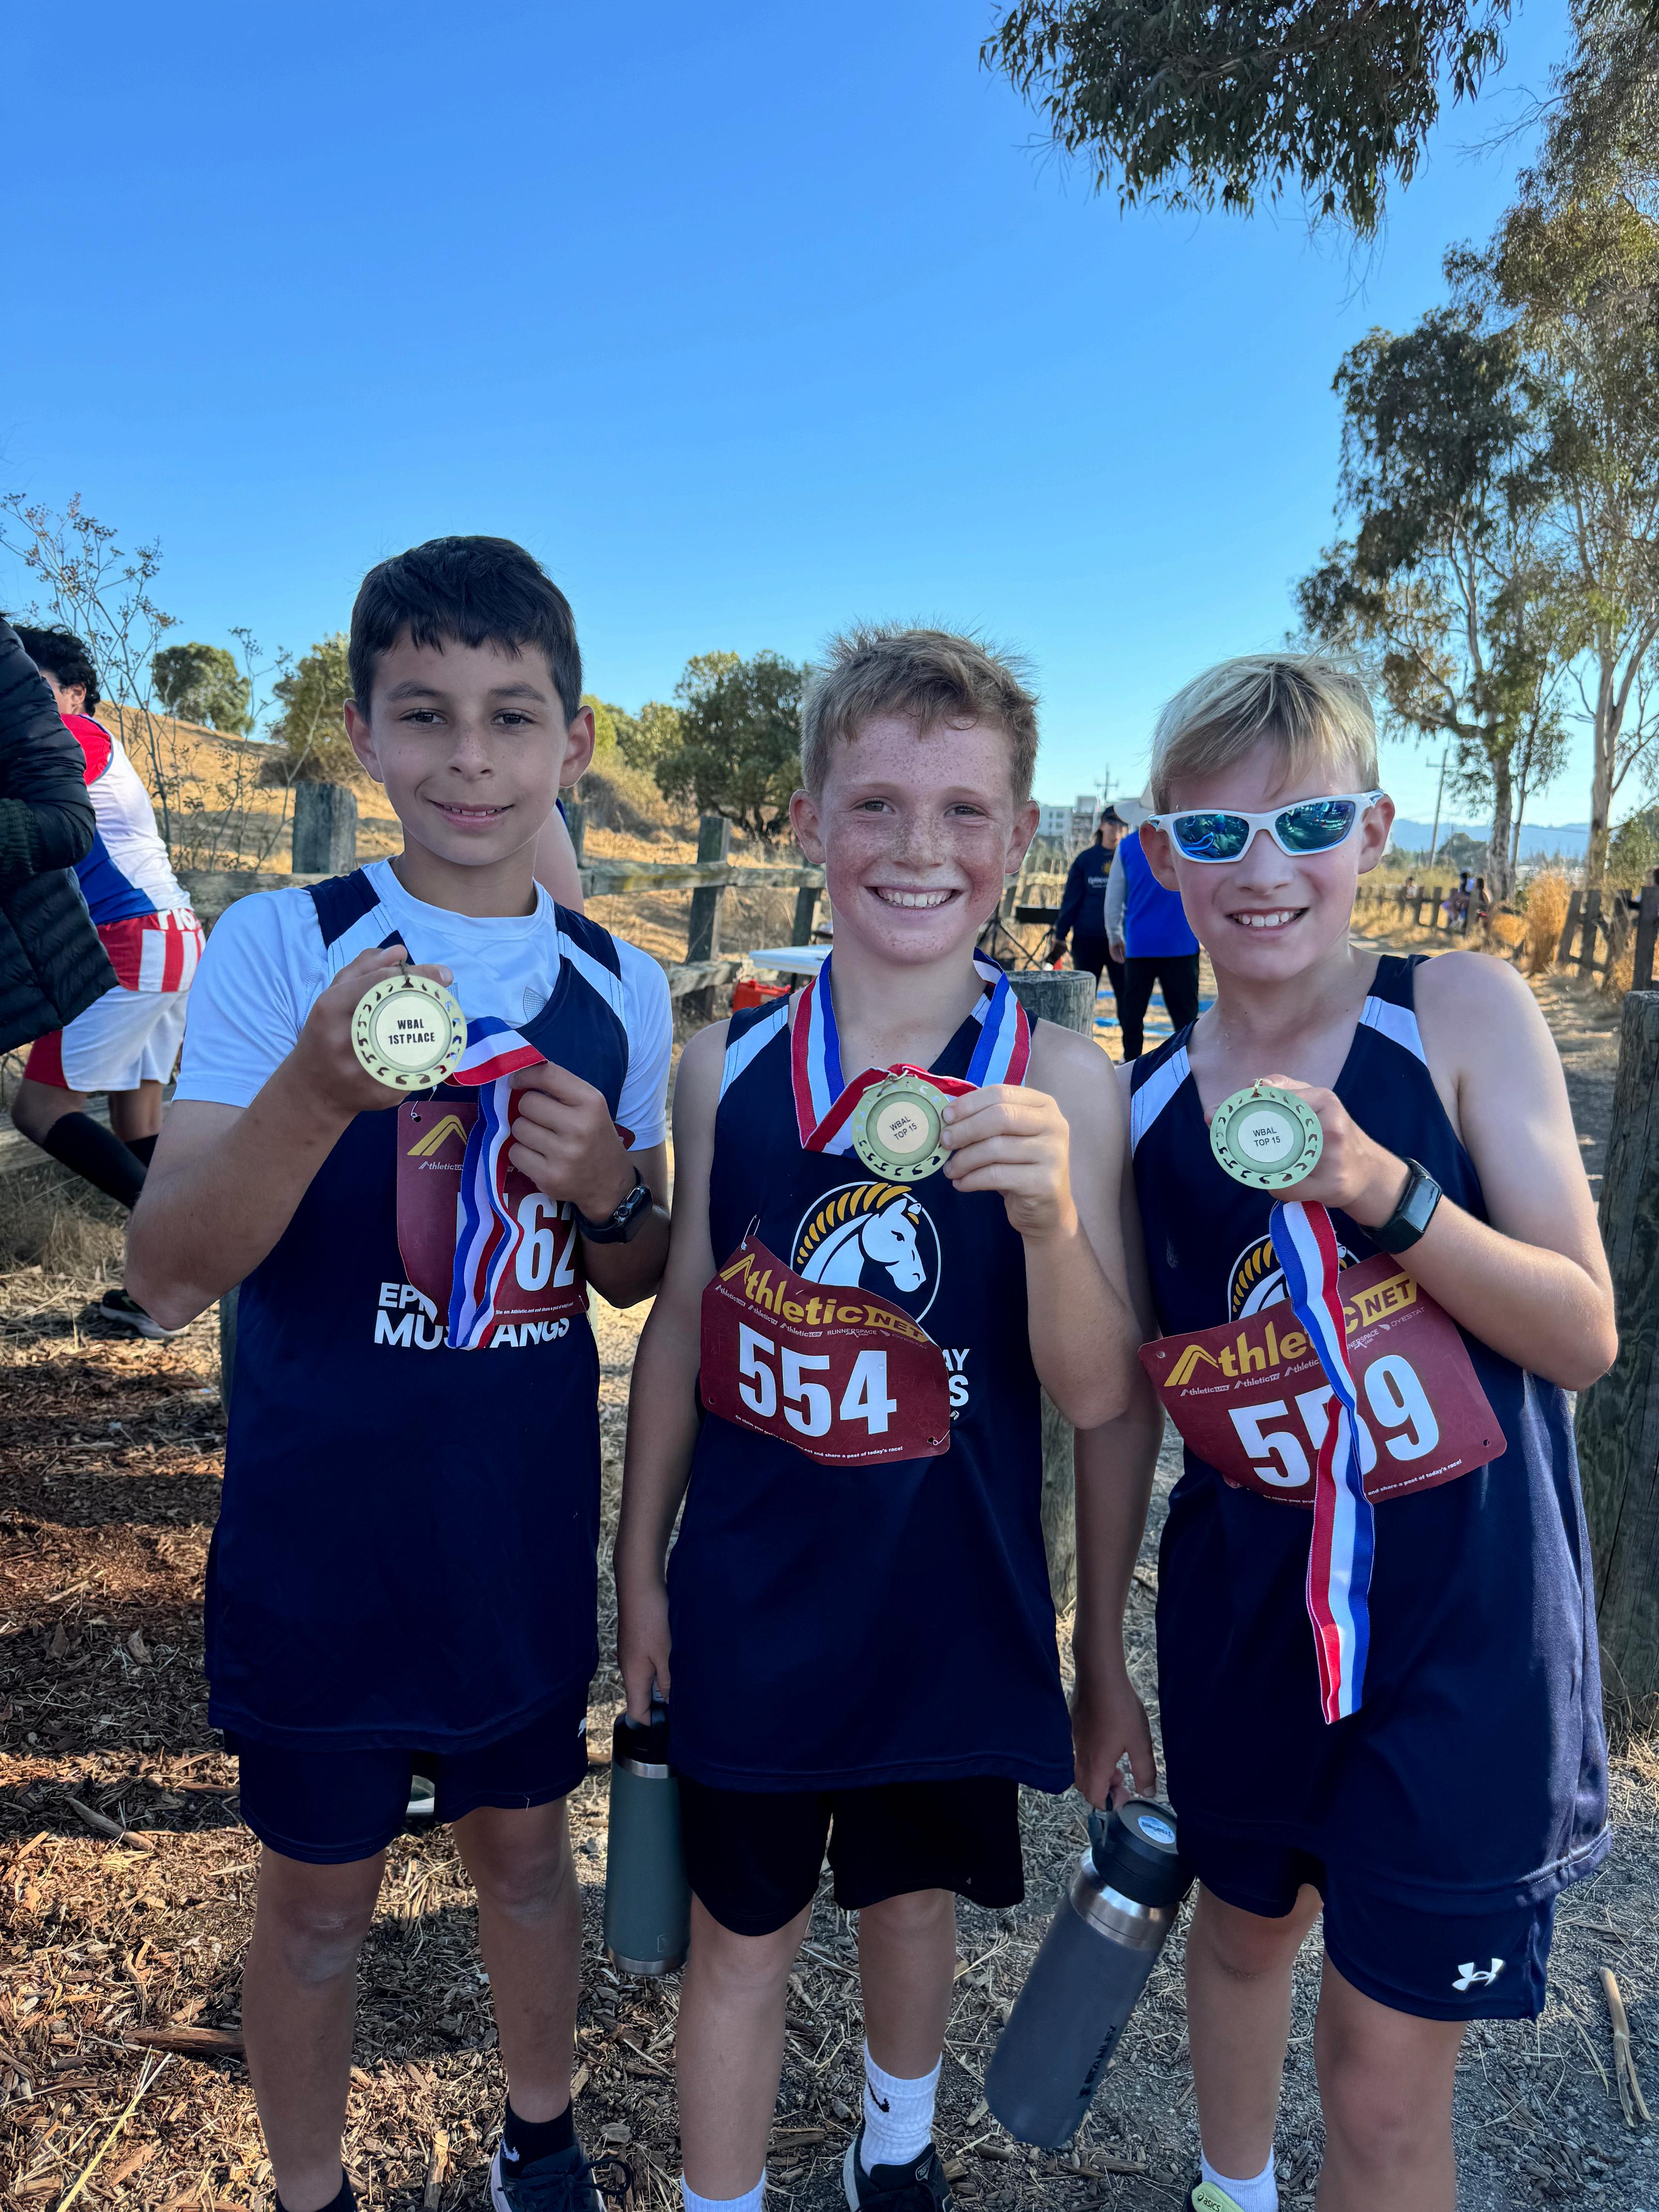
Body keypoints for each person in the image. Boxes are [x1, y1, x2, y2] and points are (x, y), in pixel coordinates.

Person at [127, 536, 674, 2212]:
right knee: (315, 1905)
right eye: (423, 713)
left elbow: (634, 1271)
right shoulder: (281, 945)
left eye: (512, 716)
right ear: (361, 734)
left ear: (574, 741)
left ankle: (539, 2139)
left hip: (512, 1530)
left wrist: (613, 1195)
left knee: (526, 1859)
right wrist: (312, 1091)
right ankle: (311, 2188)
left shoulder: (620, 985)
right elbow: (165, 1272)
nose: (469, 758)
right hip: (322, 1539)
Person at [615, 626, 1142, 2212]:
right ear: (805, 822)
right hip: (755, 1602)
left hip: (946, 1603)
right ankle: (718, 2198)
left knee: (913, 1905)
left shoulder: (1066, 1079)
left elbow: (1098, 1391)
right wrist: (637, 1564)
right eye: (875, 805)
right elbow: (684, 1321)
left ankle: (891, 2153)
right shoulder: (724, 1067)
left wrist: (1051, 1221)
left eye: (964, 810)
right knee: (740, 1934)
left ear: (1020, 835)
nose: (920, 848)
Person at [1112, 654, 1612, 2212]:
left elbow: (1578, 1331)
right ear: (1158, 853)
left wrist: (1389, 1195)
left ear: (1373, 831)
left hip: (1465, 1636)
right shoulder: (1137, 1105)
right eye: (1215, 833)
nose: (1262, 869)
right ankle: (1231, 2188)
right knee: (1240, 1932)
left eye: (1308, 823)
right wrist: (1094, 1647)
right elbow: (1124, 1396)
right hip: (1247, 1624)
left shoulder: (1452, 1008)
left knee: (1381, 2094)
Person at [7, 626, 203, 1332]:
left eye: (35, 687)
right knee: (137, 1122)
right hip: (170, 936)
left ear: (74, 693)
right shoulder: (91, 741)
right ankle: (165, 1290)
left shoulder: (72, 733)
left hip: (129, 936)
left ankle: (195, 1253)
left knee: (39, 1109)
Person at [0, 617, 110, 1053]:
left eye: (39, 680)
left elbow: (61, 813)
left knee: (48, 1093)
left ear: (76, 694)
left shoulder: (83, 735)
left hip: (123, 923)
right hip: (143, 924)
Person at [1104, 801, 1201, 1058]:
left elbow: (1114, 899)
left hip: (1140, 945)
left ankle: (1132, 1064)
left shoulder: (1127, 846)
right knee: (1185, 1018)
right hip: (1182, 943)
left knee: (1132, 1015)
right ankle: (1188, 1066)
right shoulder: (1189, 840)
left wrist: (1114, 936)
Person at [1052, 805, 1125, 1017]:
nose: (1116, 828)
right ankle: (1081, 1036)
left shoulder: (1130, 860)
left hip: (1121, 941)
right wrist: (1060, 934)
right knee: (1083, 999)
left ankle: (1131, 1040)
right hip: (1088, 939)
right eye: (1111, 822)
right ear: (1101, 825)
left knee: (1127, 999)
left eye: (1121, 824)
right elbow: (1071, 901)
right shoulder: (1086, 860)